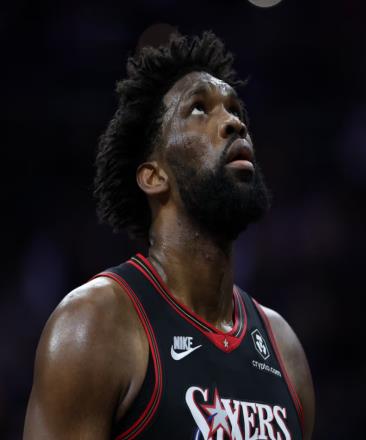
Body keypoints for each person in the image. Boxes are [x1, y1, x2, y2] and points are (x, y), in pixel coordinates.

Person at [24, 31, 315, 439]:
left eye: (236, 110)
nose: (234, 123)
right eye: (199, 109)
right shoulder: (95, 325)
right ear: (154, 176)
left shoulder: (284, 349)